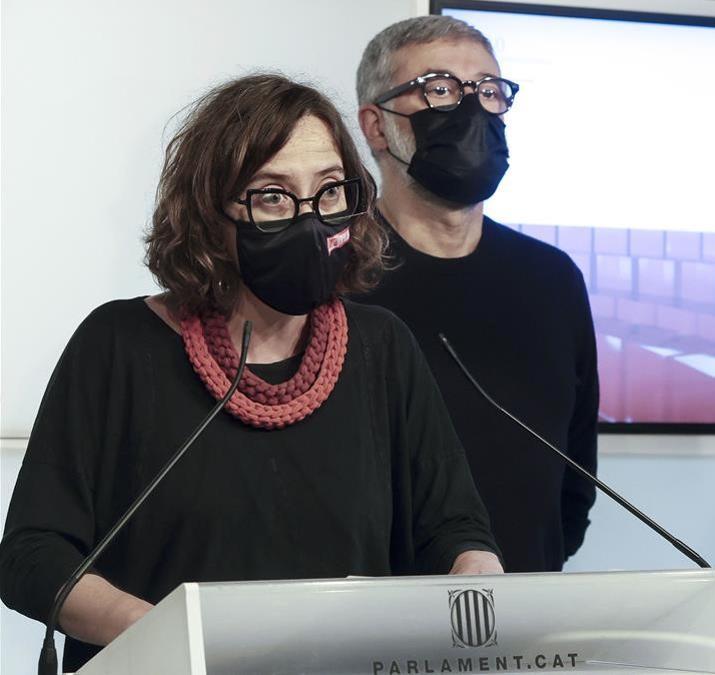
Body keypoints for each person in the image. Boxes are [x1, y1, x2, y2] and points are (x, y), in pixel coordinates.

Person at [0, 73, 502, 672]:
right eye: (271, 195)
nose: (310, 217)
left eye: (330, 191)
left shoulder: (382, 346)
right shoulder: (119, 345)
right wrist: (160, 635)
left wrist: (477, 577)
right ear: (210, 211)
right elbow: (34, 557)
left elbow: (455, 531)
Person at [353, 16, 599, 573]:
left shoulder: (552, 279)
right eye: (439, 89)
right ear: (375, 125)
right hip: (371, 629)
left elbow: (574, 476)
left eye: (489, 91)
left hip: (526, 623)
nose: (471, 110)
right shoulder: (335, 277)